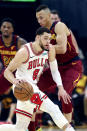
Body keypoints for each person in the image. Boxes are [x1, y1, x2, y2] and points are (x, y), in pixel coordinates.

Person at [1, 27, 75, 131]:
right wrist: (15, 81)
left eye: (49, 39)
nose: (48, 41)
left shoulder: (49, 49)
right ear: (37, 37)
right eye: (45, 38)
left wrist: (60, 87)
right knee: (54, 109)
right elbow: (7, 71)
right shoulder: (24, 52)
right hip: (23, 86)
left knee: (20, 128)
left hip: (31, 87)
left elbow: (54, 70)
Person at [36, 5, 83, 124]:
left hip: (72, 65)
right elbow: (40, 54)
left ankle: (68, 126)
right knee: (34, 87)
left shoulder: (59, 26)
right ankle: (36, 124)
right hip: (57, 67)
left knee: (65, 94)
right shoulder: (42, 33)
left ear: (48, 16)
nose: (39, 21)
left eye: (41, 18)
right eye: (37, 19)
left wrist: (43, 48)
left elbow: (62, 49)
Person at [0, 17, 27, 95]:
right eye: (4, 27)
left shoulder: (20, 42)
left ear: (12, 30)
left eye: (8, 27)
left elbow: (29, 54)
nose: (6, 29)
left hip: (18, 71)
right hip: (5, 71)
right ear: (1, 28)